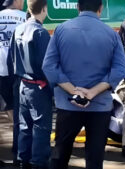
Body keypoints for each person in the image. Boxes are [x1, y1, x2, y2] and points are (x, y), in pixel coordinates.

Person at [42, 0, 125, 168]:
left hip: (68, 104)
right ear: (100, 9)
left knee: (60, 155)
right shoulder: (111, 34)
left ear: (77, 7)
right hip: (99, 105)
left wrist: (74, 91)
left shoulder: (61, 30)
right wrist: (93, 92)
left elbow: (49, 66)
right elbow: (120, 69)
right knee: (95, 157)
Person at [7, 0, 50, 168]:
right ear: (44, 9)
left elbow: (11, 59)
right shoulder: (41, 33)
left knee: (24, 126)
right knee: (41, 128)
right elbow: (47, 66)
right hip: (39, 86)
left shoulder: (19, 29)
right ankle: (38, 163)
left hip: (22, 84)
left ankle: (22, 160)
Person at [0, 0, 25, 166]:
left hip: (0, 69)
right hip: (18, 72)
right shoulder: (26, 17)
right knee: (18, 112)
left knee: (10, 109)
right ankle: (19, 152)